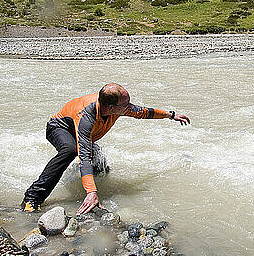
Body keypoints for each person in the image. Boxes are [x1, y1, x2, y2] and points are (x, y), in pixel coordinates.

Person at [21, 83, 190, 215]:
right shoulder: (87, 117)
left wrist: (171, 115)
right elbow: (84, 155)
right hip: (60, 128)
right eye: (125, 104)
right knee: (71, 150)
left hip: (84, 133)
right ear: (110, 107)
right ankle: (32, 198)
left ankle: (84, 184)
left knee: (100, 164)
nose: (129, 107)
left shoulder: (116, 107)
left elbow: (143, 112)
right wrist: (91, 192)